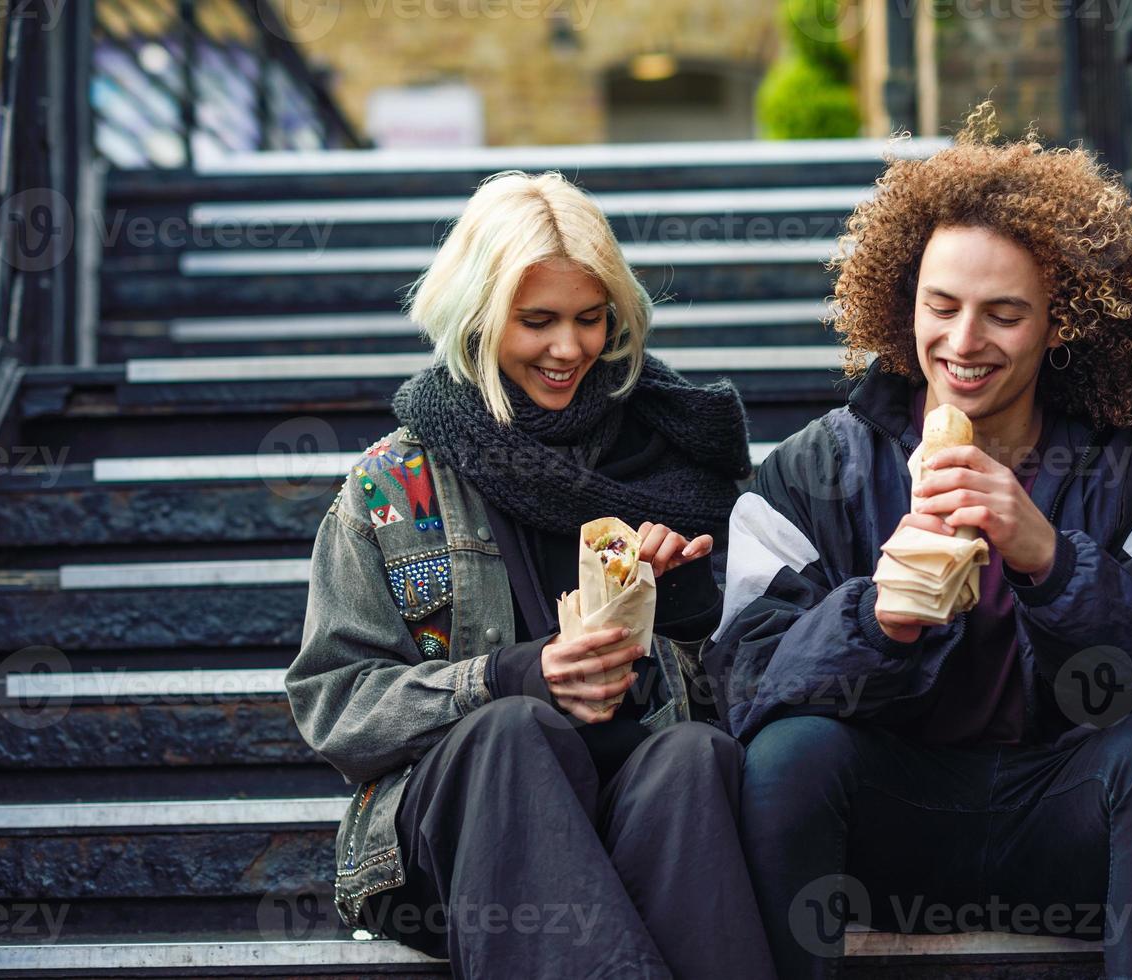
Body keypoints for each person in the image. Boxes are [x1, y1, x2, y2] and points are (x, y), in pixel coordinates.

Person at [703, 105, 1132, 979]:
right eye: (939, 306)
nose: (961, 342)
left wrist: (1049, 559)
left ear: (1060, 322)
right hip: (882, 833)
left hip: (1062, 815)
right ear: (899, 301)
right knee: (787, 753)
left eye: (1003, 314)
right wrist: (878, 617)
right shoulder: (809, 471)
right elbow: (741, 683)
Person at [285, 170, 776, 980]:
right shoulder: (389, 488)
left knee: (693, 756)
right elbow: (334, 707)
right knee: (519, 730)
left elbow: (758, 689)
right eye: (536, 321)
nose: (569, 348)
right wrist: (514, 677)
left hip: (634, 808)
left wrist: (680, 609)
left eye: (590, 319)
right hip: (451, 838)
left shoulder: (677, 465)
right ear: (476, 319)